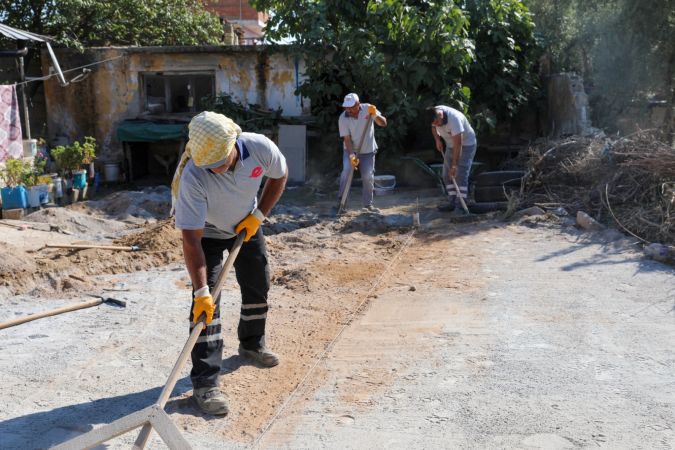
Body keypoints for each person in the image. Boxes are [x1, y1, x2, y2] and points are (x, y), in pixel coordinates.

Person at [171, 111, 288, 415]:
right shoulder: (193, 175)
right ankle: (205, 384)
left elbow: (279, 175)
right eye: (209, 167)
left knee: (258, 283)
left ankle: (252, 344)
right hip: (206, 233)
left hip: (245, 224)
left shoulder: (260, 148)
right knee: (207, 308)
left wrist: (259, 215)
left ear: (234, 144)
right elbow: (191, 240)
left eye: (220, 163)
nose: (216, 171)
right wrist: (200, 292)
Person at [337, 92, 387, 211]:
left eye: (351, 107)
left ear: (358, 104)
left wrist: (375, 114)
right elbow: (347, 139)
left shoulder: (368, 109)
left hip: (368, 151)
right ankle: (341, 202)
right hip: (350, 150)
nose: (348, 110)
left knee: (368, 176)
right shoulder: (343, 118)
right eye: (346, 107)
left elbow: (383, 123)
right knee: (346, 172)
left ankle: (367, 204)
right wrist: (351, 155)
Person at [430, 105, 477, 214]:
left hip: (466, 145)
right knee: (446, 175)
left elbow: (458, 144)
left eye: (437, 123)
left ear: (440, 116)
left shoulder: (454, 119)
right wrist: (437, 140)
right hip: (451, 145)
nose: (436, 125)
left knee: (460, 174)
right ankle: (452, 202)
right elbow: (433, 127)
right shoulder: (432, 114)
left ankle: (461, 206)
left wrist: (455, 165)